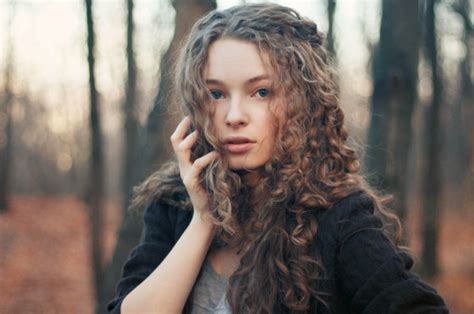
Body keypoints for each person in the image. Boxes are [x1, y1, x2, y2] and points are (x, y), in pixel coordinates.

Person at [107, 3, 448, 313]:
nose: (234, 115)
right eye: (216, 94)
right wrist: (204, 217)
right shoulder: (174, 204)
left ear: (302, 101)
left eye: (262, 92)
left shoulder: (338, 216)